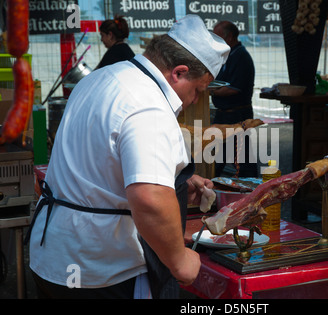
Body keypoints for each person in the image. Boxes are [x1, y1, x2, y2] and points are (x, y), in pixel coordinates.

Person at [27, 15, 230, 299]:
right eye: (197, 90)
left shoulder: (103, 77)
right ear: (179, 72)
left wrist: (171, 178)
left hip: (52, 257)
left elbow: (100, 162)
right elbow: (149, 199)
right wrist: (180, 261)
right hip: (99, 271)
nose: (194, 100)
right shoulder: (149, 104)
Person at [211, 21, 257, 177]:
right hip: (224, 114)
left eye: (217, 37)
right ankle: (213, 190)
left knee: (243, 158)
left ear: (229, 37)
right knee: (218, 155)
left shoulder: (241, 56)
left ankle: (251, 192)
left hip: (237, 114)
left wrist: (208, 91)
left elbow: (232, 89)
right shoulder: (228, 55)